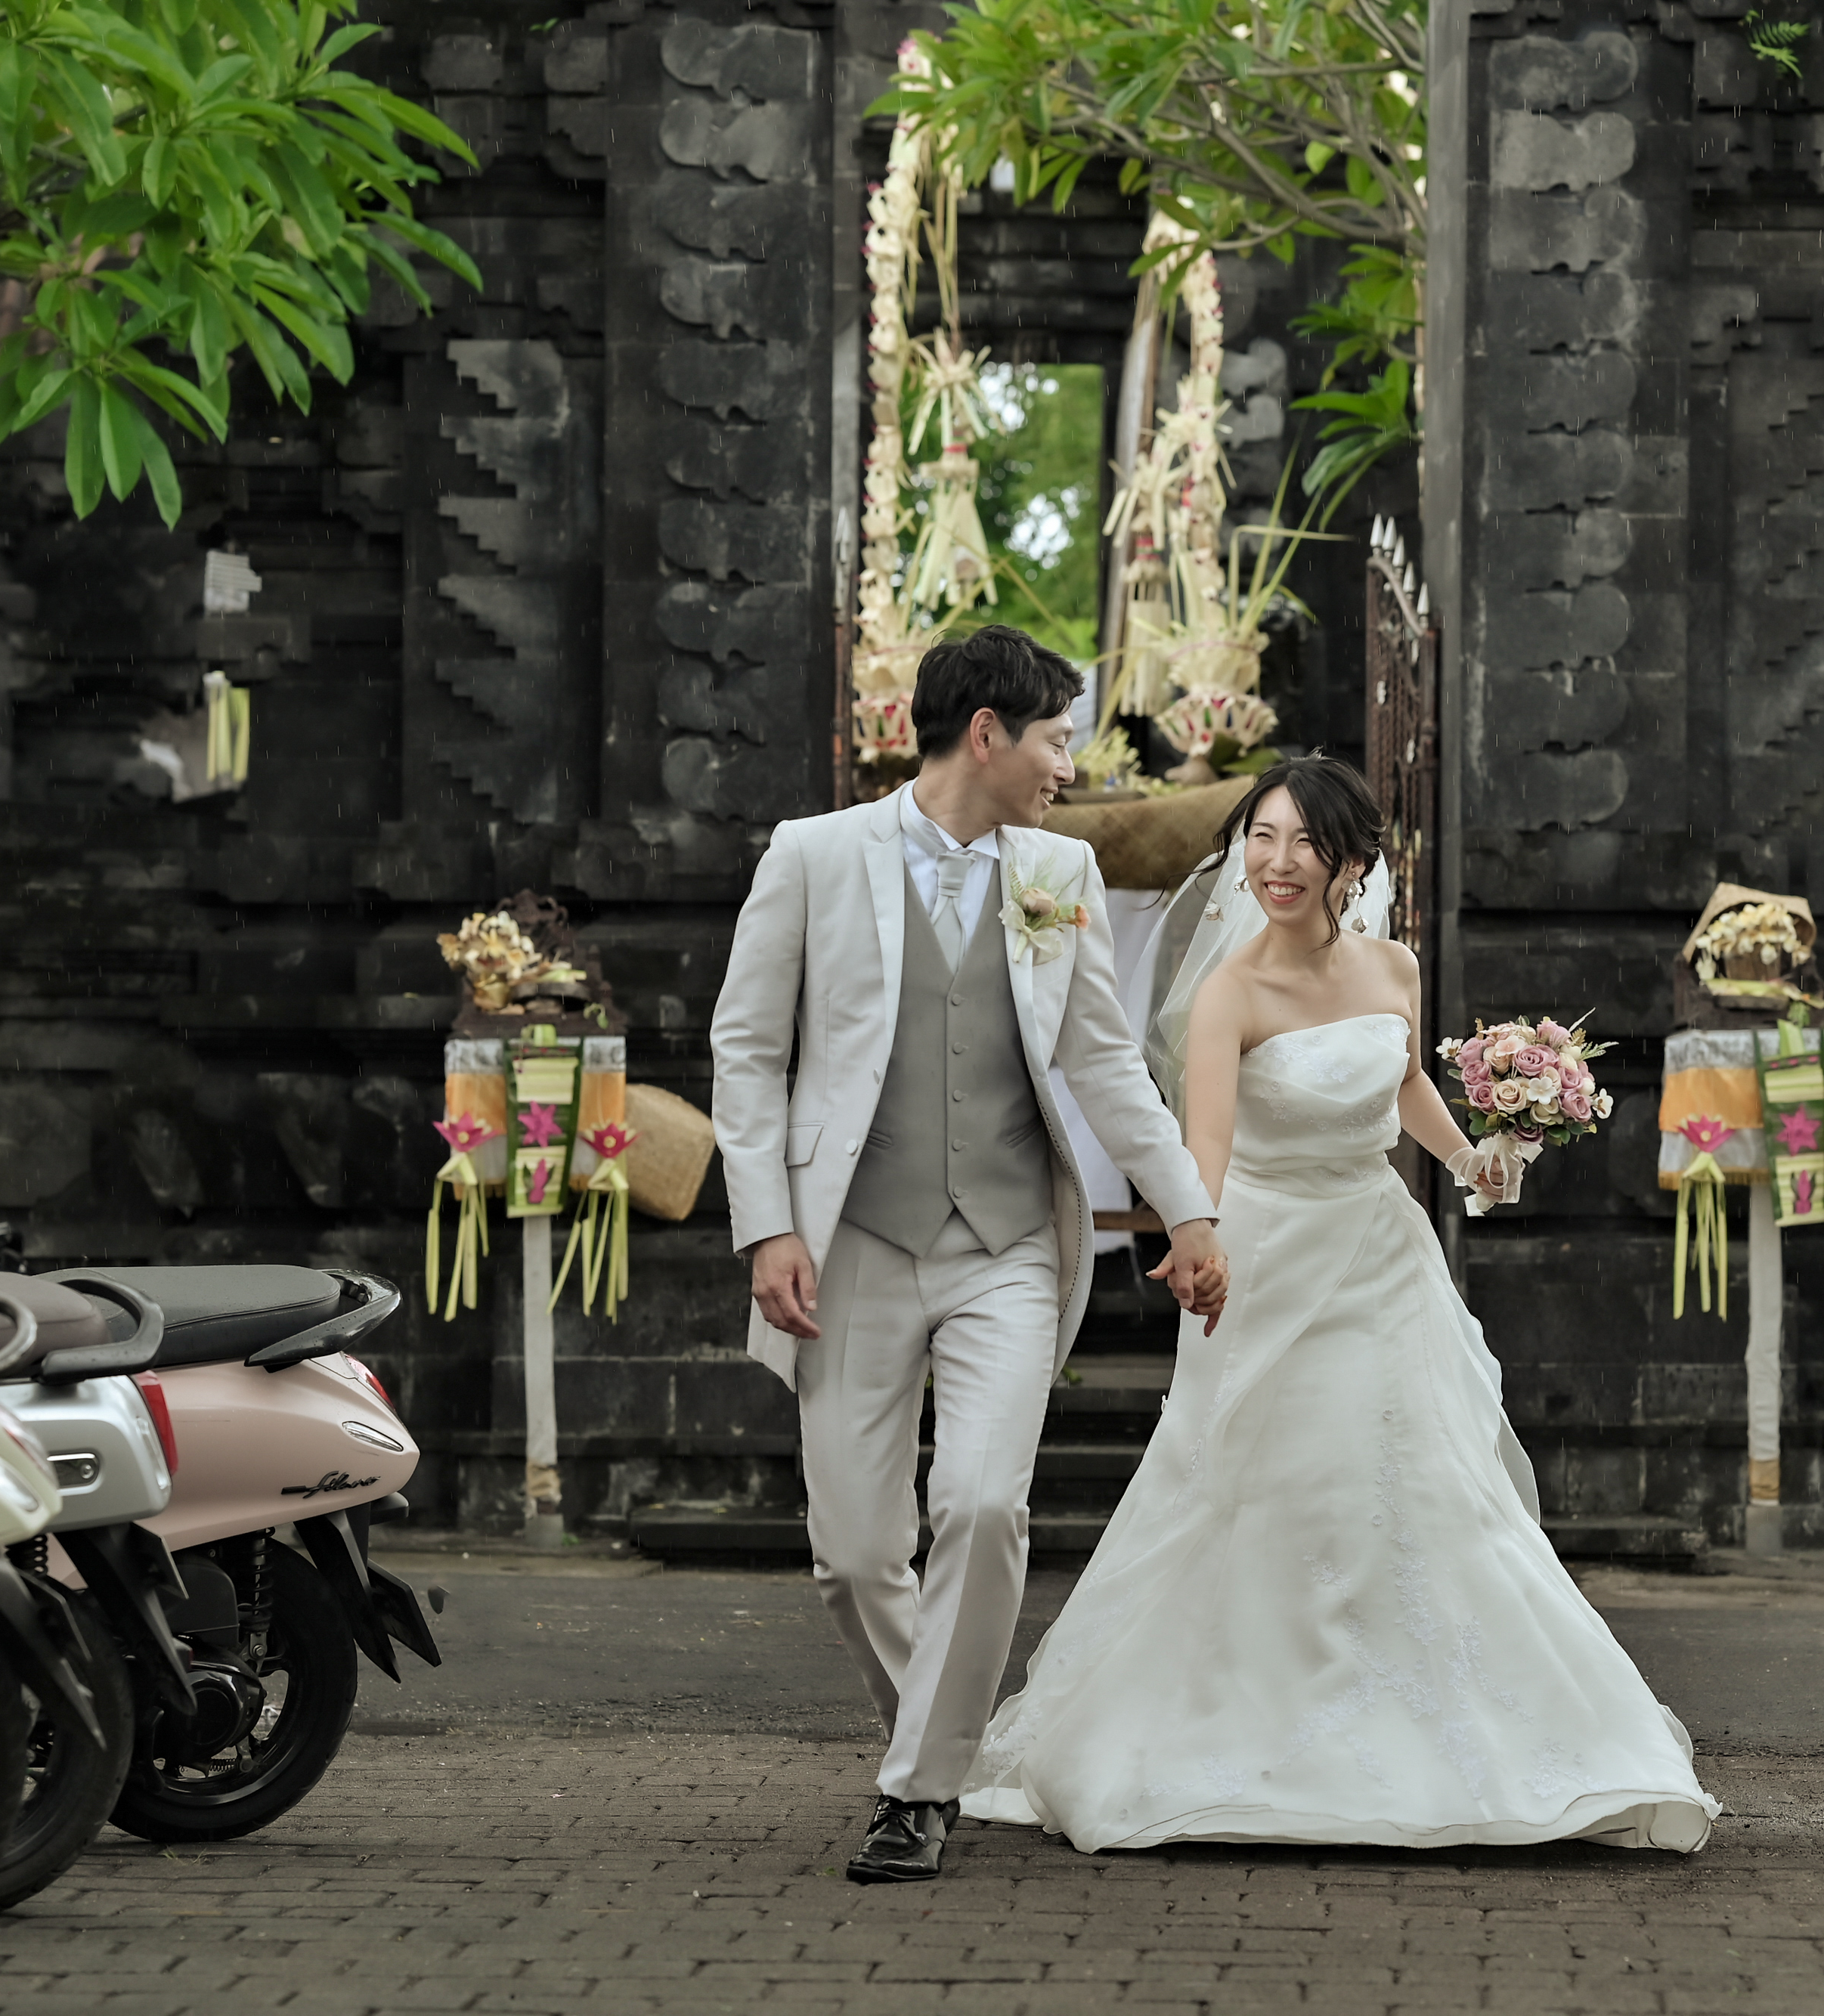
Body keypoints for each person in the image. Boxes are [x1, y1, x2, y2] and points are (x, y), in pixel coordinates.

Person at [958, 754, 1719, 1854]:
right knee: (1270, 1485)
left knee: (1418, 1481)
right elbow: (1205, 1143)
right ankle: (1254, 1720)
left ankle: (1443, 1723)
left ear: (1352, 862)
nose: (1278, 864)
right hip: (1268, 1258)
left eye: (1304, 843)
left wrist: (1472, 1159)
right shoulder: (1230, 992)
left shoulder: (1393, 967)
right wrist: (1196, 1239)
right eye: (1260, 840)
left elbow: (1403, 1080)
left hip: (1379, 1252)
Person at [708, 625, 1231, 1885]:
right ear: (986, 733)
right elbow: (748, 1051)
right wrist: (768, 1225)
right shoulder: (812, 856)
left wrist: (1189, 1211)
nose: (1070, 765)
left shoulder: (1060, 869)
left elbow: (1104, 1061)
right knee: (852, 1556)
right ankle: (947, 1744)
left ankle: (919, 1791)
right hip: (850, 1245)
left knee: (986, 1505)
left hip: (1008, 1245)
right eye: (1056, 738)